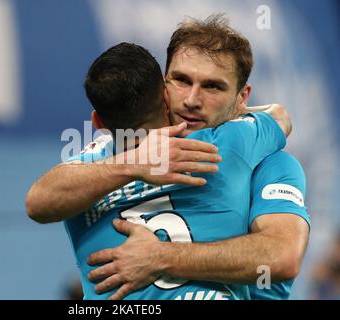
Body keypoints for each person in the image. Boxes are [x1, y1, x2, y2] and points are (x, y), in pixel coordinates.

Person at [26, 15, 309, 300]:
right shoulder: (109, 157)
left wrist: (160, 257)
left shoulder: (268, 163)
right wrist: (135, 163)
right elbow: (38, 202)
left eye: (213, 87)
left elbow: (281, 256)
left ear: (242, 98)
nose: (191, 100)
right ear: (163, 86)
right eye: (181, 80)